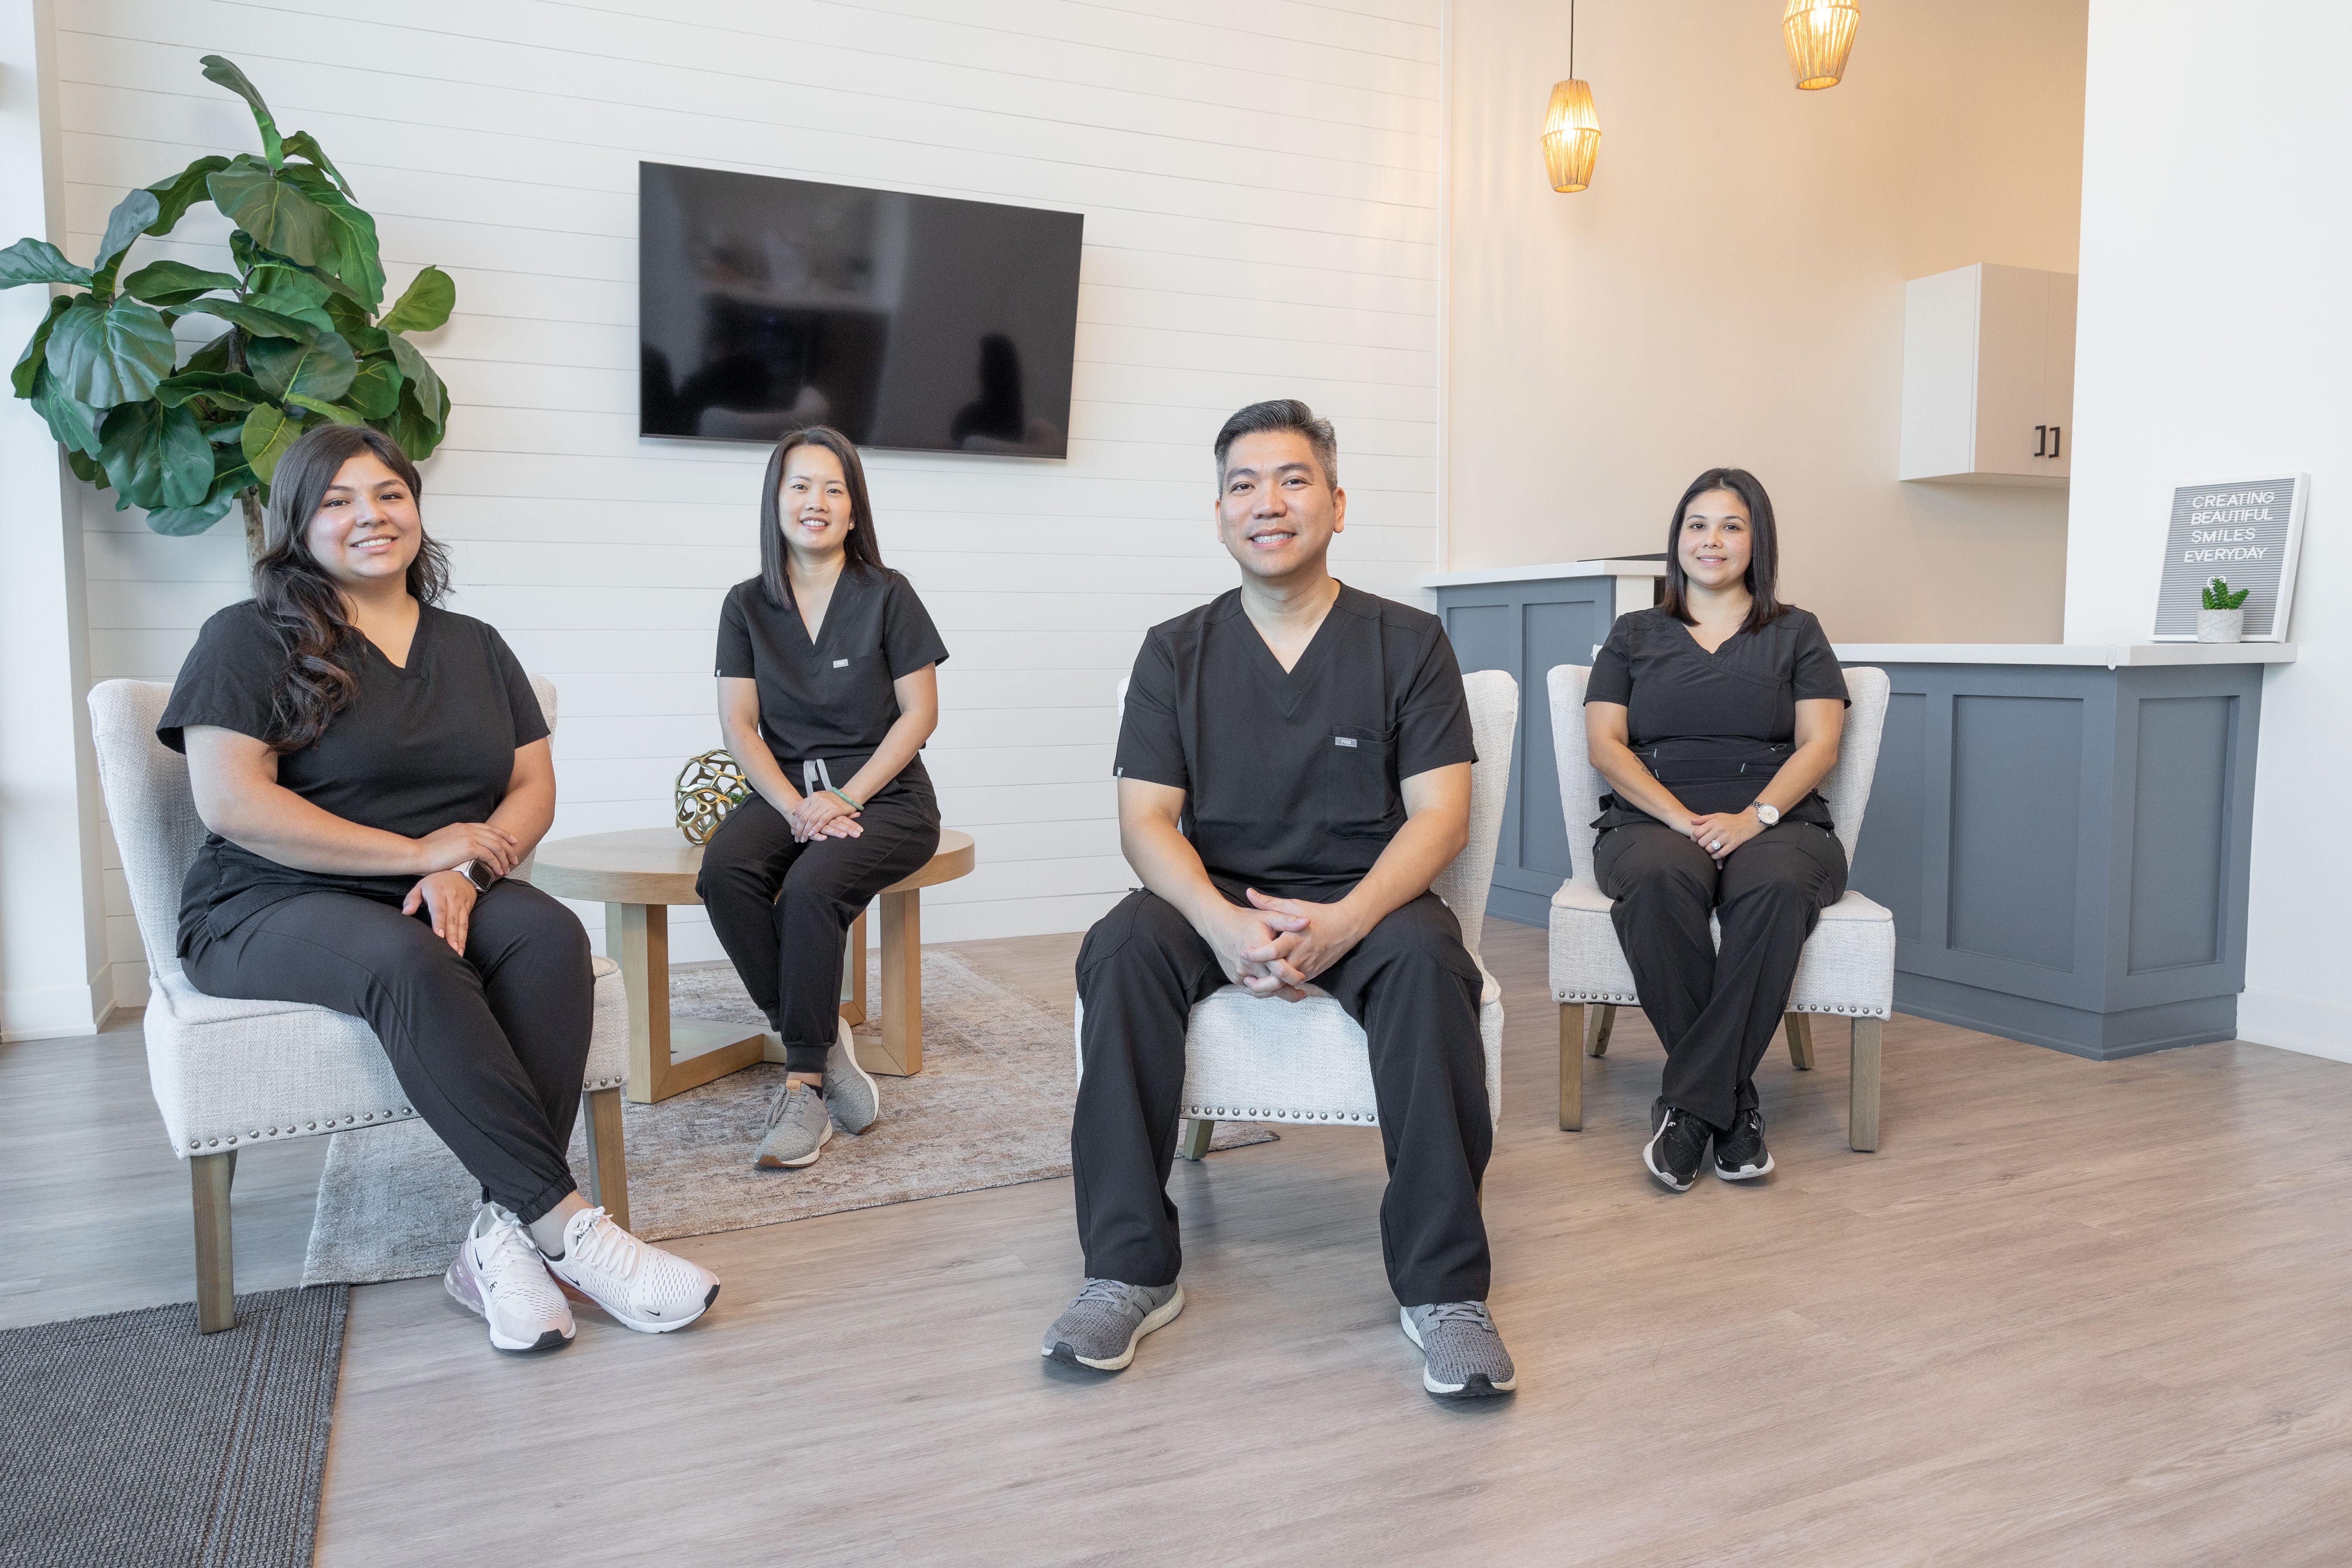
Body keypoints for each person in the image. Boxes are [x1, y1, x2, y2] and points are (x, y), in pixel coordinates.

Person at [163, 424, 720, 1354]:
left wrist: (467, 867)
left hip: (443, 878)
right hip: (265, 902)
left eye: (388, 493)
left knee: (546, 938)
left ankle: (496, 1239)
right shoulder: (248, 639)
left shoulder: (476, 644)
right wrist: (417, 856)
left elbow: (531, 787)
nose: (370, 516)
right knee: (407, 960)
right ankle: (571, 1233)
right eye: (337, 501)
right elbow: (234, 805)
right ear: (298, 525)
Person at [1043, 399, 1515, 1401]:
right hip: (1210, 898)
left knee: (1435, 967)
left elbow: (1440, 818)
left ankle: (1444, 1293)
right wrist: (1223, 926)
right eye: (1245, 484)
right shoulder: (1174, 651)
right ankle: (1127, 1271)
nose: (1270, 502)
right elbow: (1146, 823)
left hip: (1368, 900)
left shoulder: (1409, 642)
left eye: (1294, 480)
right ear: (1219, 513)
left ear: (1337, 506)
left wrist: (1344, 921)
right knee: (1121, 948)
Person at [1583, 467, 1850, 1192]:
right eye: (1697, 525)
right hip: (1655, 815)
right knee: (1660, 877)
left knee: (1774, 886)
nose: (1712, 541)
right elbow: (1605, 744)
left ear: (1757, 540)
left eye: (1731, 525)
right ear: (1677, 541)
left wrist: (1754, 818)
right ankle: (1734, 1112)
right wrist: (1677, 816)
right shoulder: (1634, 632)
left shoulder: (1798, 631)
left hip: (1779, 816)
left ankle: (1691, 1113)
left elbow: (1820, 744)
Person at [698, 427, 947, 1169]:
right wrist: (794, 806)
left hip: (888, 794)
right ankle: (818, 1031)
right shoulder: (745, 605)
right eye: (801, 485)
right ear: (776, 500)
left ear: (853, 508)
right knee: (726, 873)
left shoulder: (888, 593)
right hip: (787, 793)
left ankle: (804, 1084)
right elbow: (740, 726)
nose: (817, 501)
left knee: (809, 889)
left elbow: (920, 715)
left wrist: (844, 798)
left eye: (834, 488)